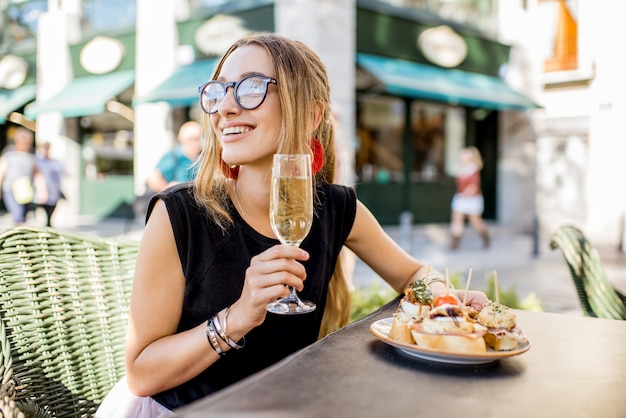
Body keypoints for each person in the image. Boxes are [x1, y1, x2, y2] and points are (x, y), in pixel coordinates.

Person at [96, 33, 487, 417]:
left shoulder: (335, 207)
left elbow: (415, 273)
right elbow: (141, 375)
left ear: (311, 115)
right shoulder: (180, 213)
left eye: (251, 88)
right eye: (218, 91)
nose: (225, 108)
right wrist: (237, 317)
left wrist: (445, 300)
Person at [449, 146, 490, 249]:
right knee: (457, 219)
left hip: (472, 199)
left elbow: (474, 186)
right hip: (461, 198)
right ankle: (455, 243)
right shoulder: (462, 169)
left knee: (475, 221)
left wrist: (465, 194)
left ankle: (485, 237)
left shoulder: (473, 169)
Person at [145, 120, 203, 193]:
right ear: (181, 139)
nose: (195, 142)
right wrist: (168, 191)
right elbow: (153, 178)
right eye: (191, 139)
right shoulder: (173, 156)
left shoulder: (203, 158)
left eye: (197, 139)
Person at [0, 127, 41, 226]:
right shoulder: (9, 154)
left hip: (26, 189)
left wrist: (40, 189)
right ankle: (19, 235)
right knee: (18, 215)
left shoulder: (31, 156)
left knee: (24, 214)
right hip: (10, 188)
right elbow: (1, 171)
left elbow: (37, 173)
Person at [35, 142, 64, 227]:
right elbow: (37, 175)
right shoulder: (37, 161)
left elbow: (62, 173)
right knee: (41, 212)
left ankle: (48, 226)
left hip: (54, 190)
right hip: (41, 191)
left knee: (51, 212)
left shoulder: (55, 162)